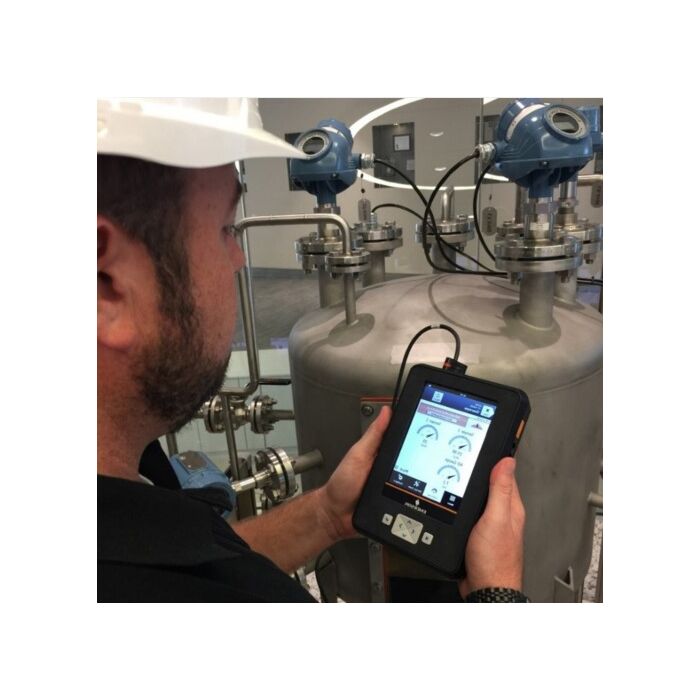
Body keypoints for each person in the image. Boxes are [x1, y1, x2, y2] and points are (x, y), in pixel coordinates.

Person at [97, 98, 528, 603]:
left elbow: (212, 562)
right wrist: (497, 597)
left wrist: (326, 514)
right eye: (224, 230)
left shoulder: (134, 495)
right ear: (107, 283)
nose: (238, 258)